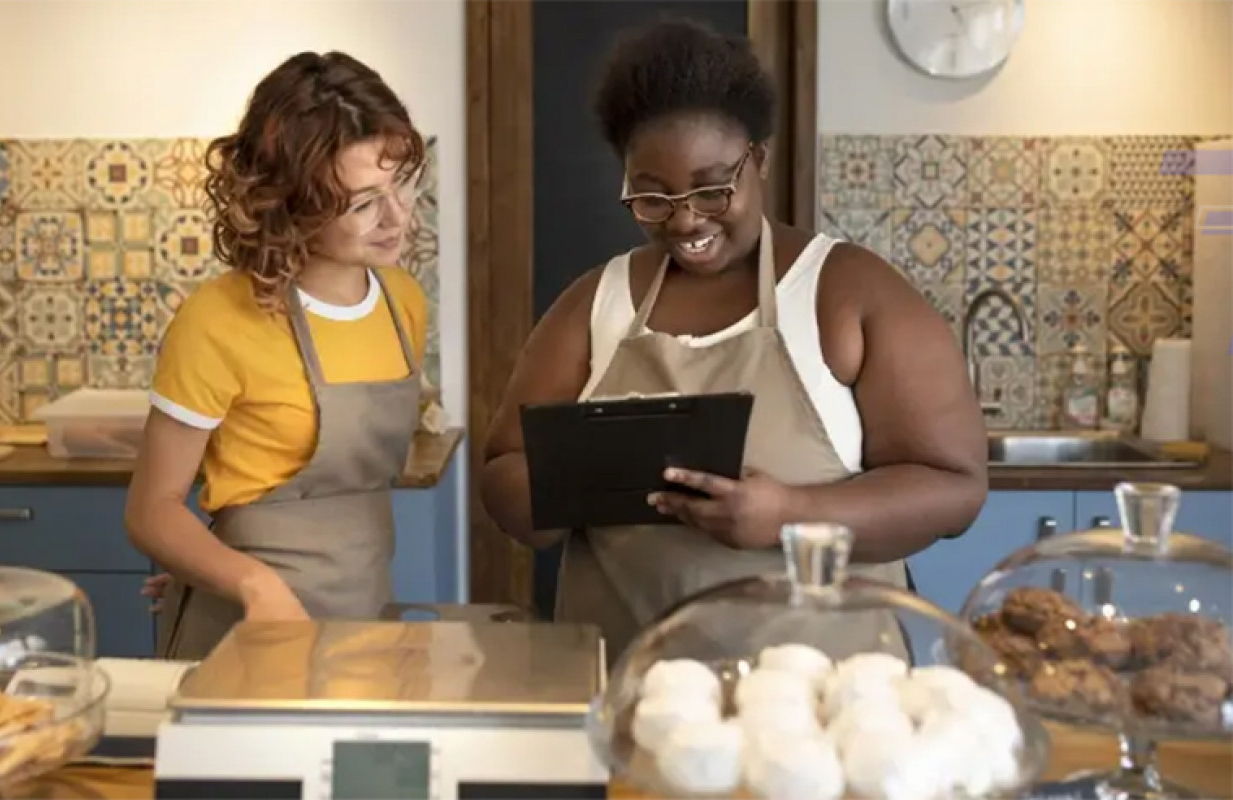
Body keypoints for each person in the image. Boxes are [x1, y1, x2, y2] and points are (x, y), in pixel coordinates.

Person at [480, 19, 989, 664]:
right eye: (653, 198)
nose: (686, 219)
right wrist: (575, 482)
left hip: (824, 694)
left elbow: (954, 489)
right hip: (637, 687)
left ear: (759, 160)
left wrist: (789, 515)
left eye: (713, 188)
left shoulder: (848, 293)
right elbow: (503, 472)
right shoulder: (595, 304)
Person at [124, 51, 430, 660]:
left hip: (363, 625)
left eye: (402, 183)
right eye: (362, 203)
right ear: (290, 202)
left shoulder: (403, 303)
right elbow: (151, 511)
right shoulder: (218, 321)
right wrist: (248, 582)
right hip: (246, 634)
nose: (397, 218)